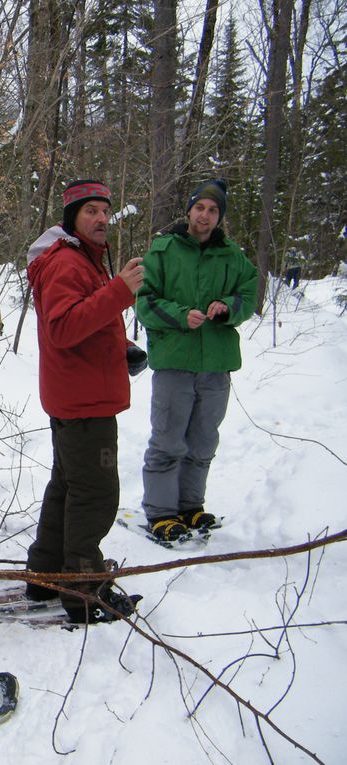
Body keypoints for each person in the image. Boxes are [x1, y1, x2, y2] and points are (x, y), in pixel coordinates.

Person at [24, 179, 144, 624]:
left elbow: (82, 323)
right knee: (94, 495)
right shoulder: (68, 264)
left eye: (105, 211)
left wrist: (120, 346)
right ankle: (83, 591)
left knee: (68, 488)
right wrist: (118, 292)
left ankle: (46, 575)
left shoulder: (79, 261)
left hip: (76, 394)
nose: (100, 219)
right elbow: (63, 328)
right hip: (84, 404)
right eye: (90, 210)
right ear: (72, 216)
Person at [137, 180, 258, 541]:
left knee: (203, 441)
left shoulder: (232, 256)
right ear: (189, 210)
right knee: (168, 441)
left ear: (219, 217)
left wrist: (228, 308)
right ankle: (161, 513)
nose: (205, 215)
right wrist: (180, 314)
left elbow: (249, 292)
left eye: (213, 210)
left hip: (216, 363)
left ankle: (191, 507)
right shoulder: (163, 250)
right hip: (175, 361)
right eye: (200, 207)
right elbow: (145, 302)